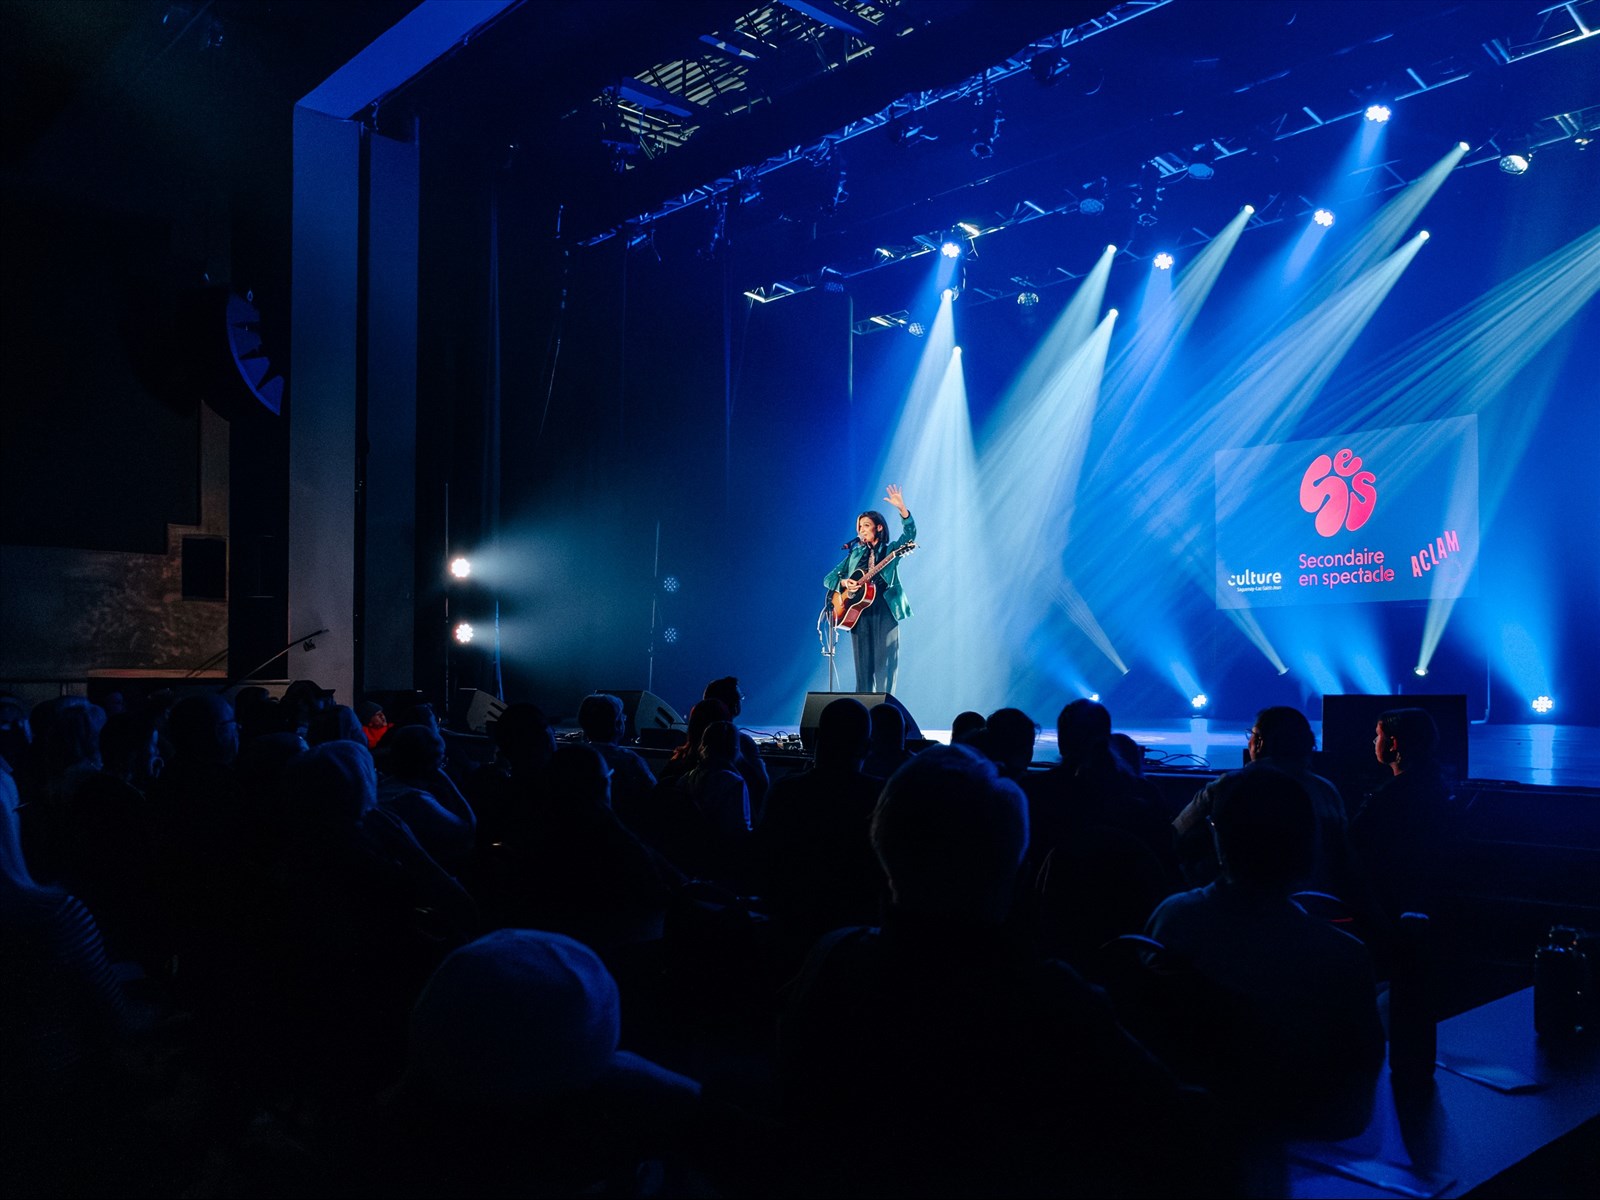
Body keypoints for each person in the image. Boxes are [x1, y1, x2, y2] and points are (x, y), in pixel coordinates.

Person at [823, 485, 916, 694]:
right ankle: (862, 709)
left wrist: (903, 510)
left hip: (884, 609)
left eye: (866, 525)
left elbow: (910, 536)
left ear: (879, 528)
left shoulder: (891, 550)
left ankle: (885, 709)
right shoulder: (854, 555)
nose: (861, 530)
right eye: (859, 527)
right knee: (863, 671)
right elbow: (828, 579)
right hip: (859, 614)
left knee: (885, 667)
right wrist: (844, 583)